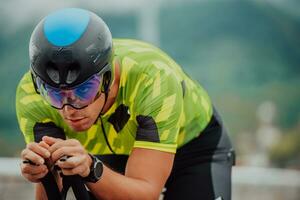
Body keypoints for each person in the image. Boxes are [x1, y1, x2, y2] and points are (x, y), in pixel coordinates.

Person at [16, 8, 235, 200]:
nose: (68, 108)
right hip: (117, 151)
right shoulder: (30, 93)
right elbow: (55, 189)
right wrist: (44, 174)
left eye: (83, 91)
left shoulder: (153, 79)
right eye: (54, 95)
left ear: (108, 78)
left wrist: (92, 169)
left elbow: (145, 192)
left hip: (192, 149)